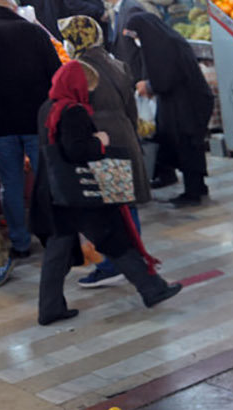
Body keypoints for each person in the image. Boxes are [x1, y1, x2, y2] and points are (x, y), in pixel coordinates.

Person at [36, 61, 181, 325]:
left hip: (55, 191)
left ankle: (50, 307)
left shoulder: (47, 108)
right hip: (83, 191)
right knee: (113, 240)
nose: (89, 93)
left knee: (58, 249)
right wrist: (99, 141)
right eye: (88, 87)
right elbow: (77, 150)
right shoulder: (73, 112)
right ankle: (152, 288)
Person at [58, 14, 151, 289]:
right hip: (124, 136)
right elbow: (131, 110)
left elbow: (74, 110)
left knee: (109, 209)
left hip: (101, 141)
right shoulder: (116, 62)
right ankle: (136, 257)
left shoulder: (79, 68)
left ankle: (114, 265)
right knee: (126, 204)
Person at [0, 0, 60, 269]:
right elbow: (56, 75)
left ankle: (20, 243)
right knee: (46, 181)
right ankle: (52, 236)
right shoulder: (34, 33)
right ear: (15, 8)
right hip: (36, 121)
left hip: (0, 125)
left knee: (11, 186)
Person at [125, 12, 214, 207]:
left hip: (188, 105)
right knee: (190, 145)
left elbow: (165, 80)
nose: (137, 41)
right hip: (187, 102)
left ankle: (193, 193)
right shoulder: (167, 39)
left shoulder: (164, 46)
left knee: (187, 144)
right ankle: (197, 187)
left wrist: (148, 86)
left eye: (136, 36)